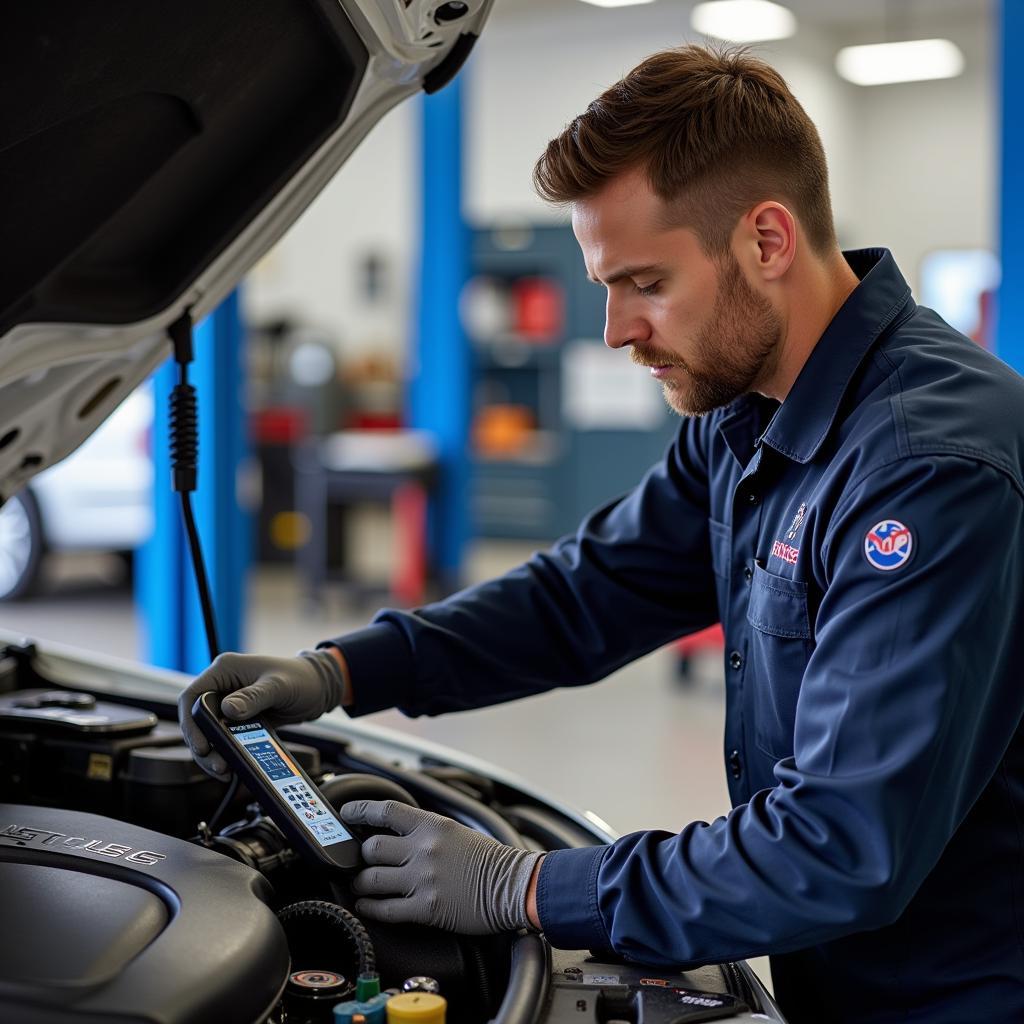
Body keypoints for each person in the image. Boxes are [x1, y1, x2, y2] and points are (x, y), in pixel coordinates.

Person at [179, 45, 1024, 1023]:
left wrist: (527, 888)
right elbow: (587, 591)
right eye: (602, 285)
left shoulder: (927, 471)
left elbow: (838, 845)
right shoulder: (745, 409)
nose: (617, 329)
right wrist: (342, 671)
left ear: (766, 241)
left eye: (645, 282)